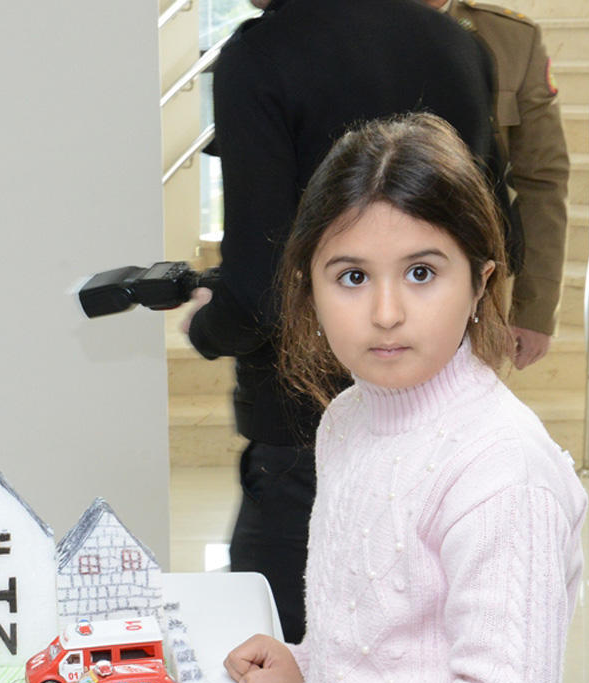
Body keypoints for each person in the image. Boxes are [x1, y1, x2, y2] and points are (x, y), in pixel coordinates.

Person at [224, 114, 587, 683]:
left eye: (422, 271)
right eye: (352, 276)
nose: (386, 311)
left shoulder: (500, 469)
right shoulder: (348, 418)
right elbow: (384, 623)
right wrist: (311, 666)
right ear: (310, 285)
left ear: (481, 283)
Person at [184, 0, 505, 647]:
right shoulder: (458, 46)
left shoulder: (259, 56)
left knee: (281, 677)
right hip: (434, 414)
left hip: (302, 421)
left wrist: (204, 325)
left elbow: (259, 292)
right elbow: (498, 227)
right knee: (421, 657)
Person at [428, 0, 571, 368]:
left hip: (477, 283)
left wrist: (534, 309)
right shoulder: (354, 25)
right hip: (372, 275)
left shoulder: (511, 40)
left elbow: (542, 179)